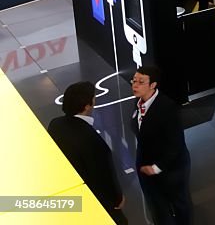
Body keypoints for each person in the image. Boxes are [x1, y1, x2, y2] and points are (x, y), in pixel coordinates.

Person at [48, 81, 127, 224]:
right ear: (87, 106)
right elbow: (104, 175)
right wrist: (117, 198)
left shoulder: (55, 124)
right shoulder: (93, 142)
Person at [131, 65, 193, 225]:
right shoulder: (138, 103)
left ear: (153, 85)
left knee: (180, 204)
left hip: (172, 169)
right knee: (158, 208)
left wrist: (156, 168)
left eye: (141, 82)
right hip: (146, 166)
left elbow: (176, 145)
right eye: (134, 80)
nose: (135, 85)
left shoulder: (168, 108)